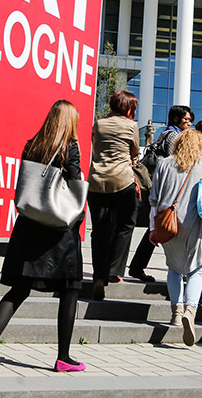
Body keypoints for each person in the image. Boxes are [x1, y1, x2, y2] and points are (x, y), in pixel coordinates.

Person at [0, 100, 86, 374]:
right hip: (59, 233)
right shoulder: (70, 148)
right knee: (70, 290)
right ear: (69, 123)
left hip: (28, 227)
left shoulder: (32, 145)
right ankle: (63, 357)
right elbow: (75, 186)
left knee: (19, 289)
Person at [148, 128, 202, 346]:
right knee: (196, 269)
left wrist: (153, 228)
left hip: (170, 222)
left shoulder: (164, 164)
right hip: (197, 222)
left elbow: (154, 199)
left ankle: (176, 311)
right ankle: (191, 309)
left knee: (174, 268)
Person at [129, 104, 193, 282]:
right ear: (176, 119)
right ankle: (181, 271)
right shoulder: (173, 135)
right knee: (165, 227)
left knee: (158, 227)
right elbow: (177, 161)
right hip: (168, 189)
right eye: (186, 119)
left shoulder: (167, 133)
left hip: (164, 187)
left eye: (190, 120)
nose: (189, 123)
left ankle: (137, 266)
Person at [88, 90, 140, 301]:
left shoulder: (99, 123)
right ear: (127, 107)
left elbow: (95, 147)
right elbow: (135, 152)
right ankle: (114, 271)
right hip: (122, 180)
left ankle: (98, 276)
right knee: (126, 224)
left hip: (97, 181)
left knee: (99, 231)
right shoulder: (131, 126)